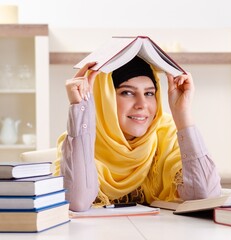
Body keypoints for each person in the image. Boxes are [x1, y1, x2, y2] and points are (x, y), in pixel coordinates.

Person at [54, 56, 221, 212]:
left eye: (149, 93)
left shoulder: (166, 135)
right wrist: (81, 106)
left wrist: (182, 114)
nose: (142, 104)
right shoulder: (78, 139)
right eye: (127, 92)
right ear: (106, 98)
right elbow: (77, 202)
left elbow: (205, 197)